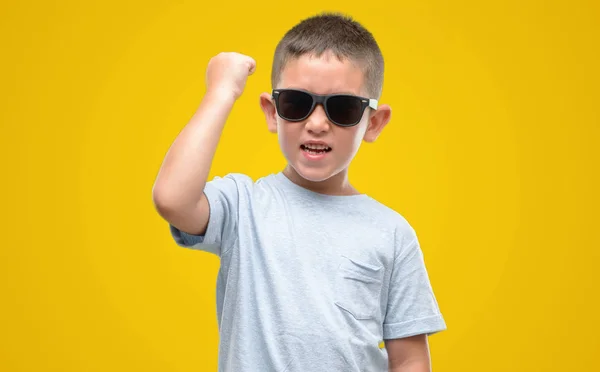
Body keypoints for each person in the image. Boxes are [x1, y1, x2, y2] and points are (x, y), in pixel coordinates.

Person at [152, 11, 447, 372]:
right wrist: (221, 92)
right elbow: (172, 198)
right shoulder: (244, 207)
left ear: (373, 122)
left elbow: (410, 360)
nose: (317, 124)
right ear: (272, 112)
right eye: (296, 102)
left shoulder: (392, 232)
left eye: (343, 107)